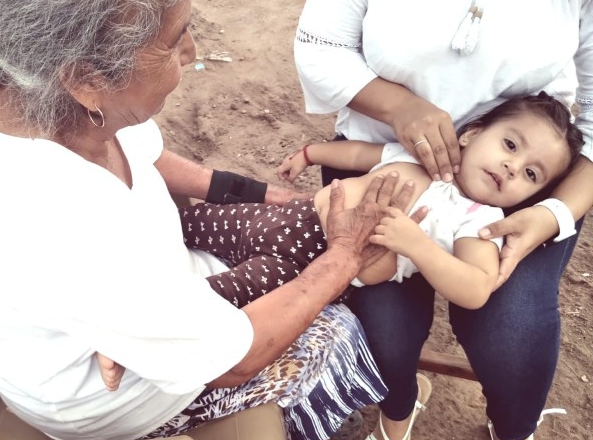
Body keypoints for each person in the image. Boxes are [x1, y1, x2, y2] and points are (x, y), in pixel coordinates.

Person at [0, 0, 423, 440]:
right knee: (333, 330)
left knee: (307, 230)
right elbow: (236, 357)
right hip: (109, 397)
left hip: (150, 290)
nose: (192, 52)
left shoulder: (28, 65)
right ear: (88, 81)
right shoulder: (46, 221)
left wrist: (269, 197)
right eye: (176, 39)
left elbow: (148, 156)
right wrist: (342, 258)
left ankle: (298, 397)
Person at [294, 0, 593, 440]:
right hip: (389, 165)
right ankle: (400, 406)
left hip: (515, 195)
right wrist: (398, 108)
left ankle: (513, 433)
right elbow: (319, 49)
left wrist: (549, 214)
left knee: (511, 330)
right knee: (382, 328)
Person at [181, 93, 582, 312]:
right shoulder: (421, 155)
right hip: (292, 216)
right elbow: (359, 156)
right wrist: (311, 153)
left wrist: (416, 245)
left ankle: (148, 326)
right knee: (195, 221)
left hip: (313, 266)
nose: (513, 167)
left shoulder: (478, 219)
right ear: (471, 134)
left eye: (532, 174)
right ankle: (128, 238)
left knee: (222, 295)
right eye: (510, 145)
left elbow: (476, 288)